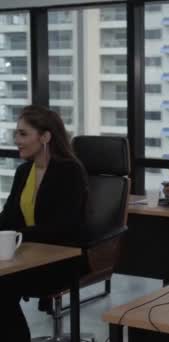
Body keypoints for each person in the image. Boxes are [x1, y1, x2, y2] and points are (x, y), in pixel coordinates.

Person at [0, 105, 88, 341]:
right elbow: (8, 217)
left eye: (23, 134)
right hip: (27, 255)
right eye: (16, 133)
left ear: (46, 137)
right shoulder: (24, 171)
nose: (17, 140)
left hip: (60, 260)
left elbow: (63, 227)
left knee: (2, 288)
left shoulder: (70, 171)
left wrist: (18, 235)